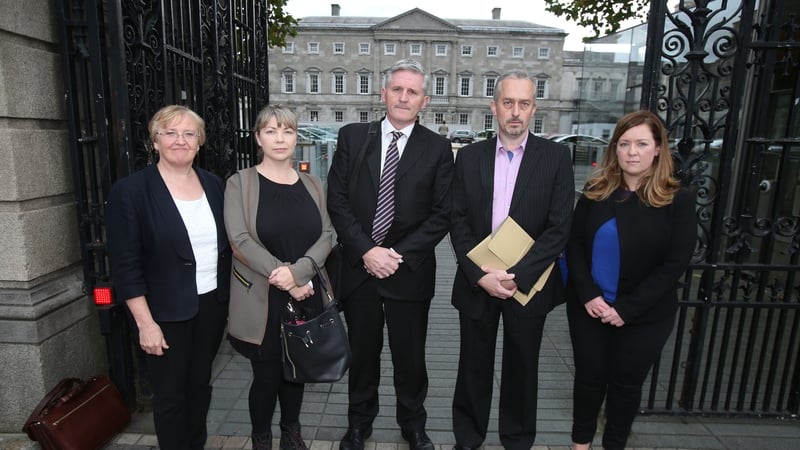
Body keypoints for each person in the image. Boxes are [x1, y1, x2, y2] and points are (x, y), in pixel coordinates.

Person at [326, 59, 454, 450]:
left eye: (412, 92)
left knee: (410, 358)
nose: (403, 97)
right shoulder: (353, 137)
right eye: (397, 89)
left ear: (424, 101)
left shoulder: (437, 148)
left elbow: (442, 213)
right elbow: (337, 200)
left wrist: (394, 254)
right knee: (362, 354)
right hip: (360, 268)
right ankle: (359, 425)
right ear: (383, 94)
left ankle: (412, 424)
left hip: (408, 270)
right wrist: (367, 251)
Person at [449, 70, 575, 450]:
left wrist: (518, 276)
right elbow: (456, 219)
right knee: (473, 368)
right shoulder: (469, 157)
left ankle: (517, 441)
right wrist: (478, 274)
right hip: (478, 282)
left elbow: (559, 227)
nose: (515, 112)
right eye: (508, 103)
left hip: (529, 285)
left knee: (522, 369)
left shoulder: (556, 157)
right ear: (494, 106)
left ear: (533, 109)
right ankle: (467, 440)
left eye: (523, 104)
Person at [566, 110, 696, 450]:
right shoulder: (596, 191)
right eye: (624, 144)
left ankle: (614, 444)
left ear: (657, 149)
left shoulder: (678, 199)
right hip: (590, 309)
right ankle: (580, 445)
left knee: (625, 386)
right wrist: (588, 295)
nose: (632, 151)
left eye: (641, 143)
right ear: (615, 149)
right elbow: (575, 246)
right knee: (589, 380)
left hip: (645, 315)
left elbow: (675, 263)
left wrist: (627, 308)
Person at [105, 105, 231, 450]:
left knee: (200, 387)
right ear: (155, 141)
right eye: (170, 133)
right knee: (171, 395)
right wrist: (145, 323)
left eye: (189, 134)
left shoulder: (214, 185)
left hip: (211, 306)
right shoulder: (130, 192)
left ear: (200, 142)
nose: (180, 140)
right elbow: (126, 266)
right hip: (161, 313)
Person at [224, 105, 334, 450]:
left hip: (305, 291)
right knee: (266, 376)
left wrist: (298, 274)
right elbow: (239, 240)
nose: (280, 138)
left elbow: (328, 235)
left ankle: (292, 433)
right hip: (262, 297)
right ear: (258, 138)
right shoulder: (240, 183)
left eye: (286, 131)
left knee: (296, 370)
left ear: (295, 137)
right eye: (271, 131)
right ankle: (261, 438)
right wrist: (284, 276)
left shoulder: (313, 183)